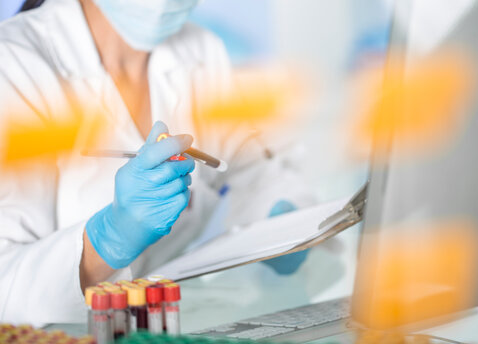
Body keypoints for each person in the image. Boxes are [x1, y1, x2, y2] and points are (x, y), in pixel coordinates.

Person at [0, 0, 320, 324]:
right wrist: (108, 240)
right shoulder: (13, 63)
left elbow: (259, 166)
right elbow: (6, 288)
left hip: (169, 329)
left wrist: (285, 221)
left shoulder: (201, 50)